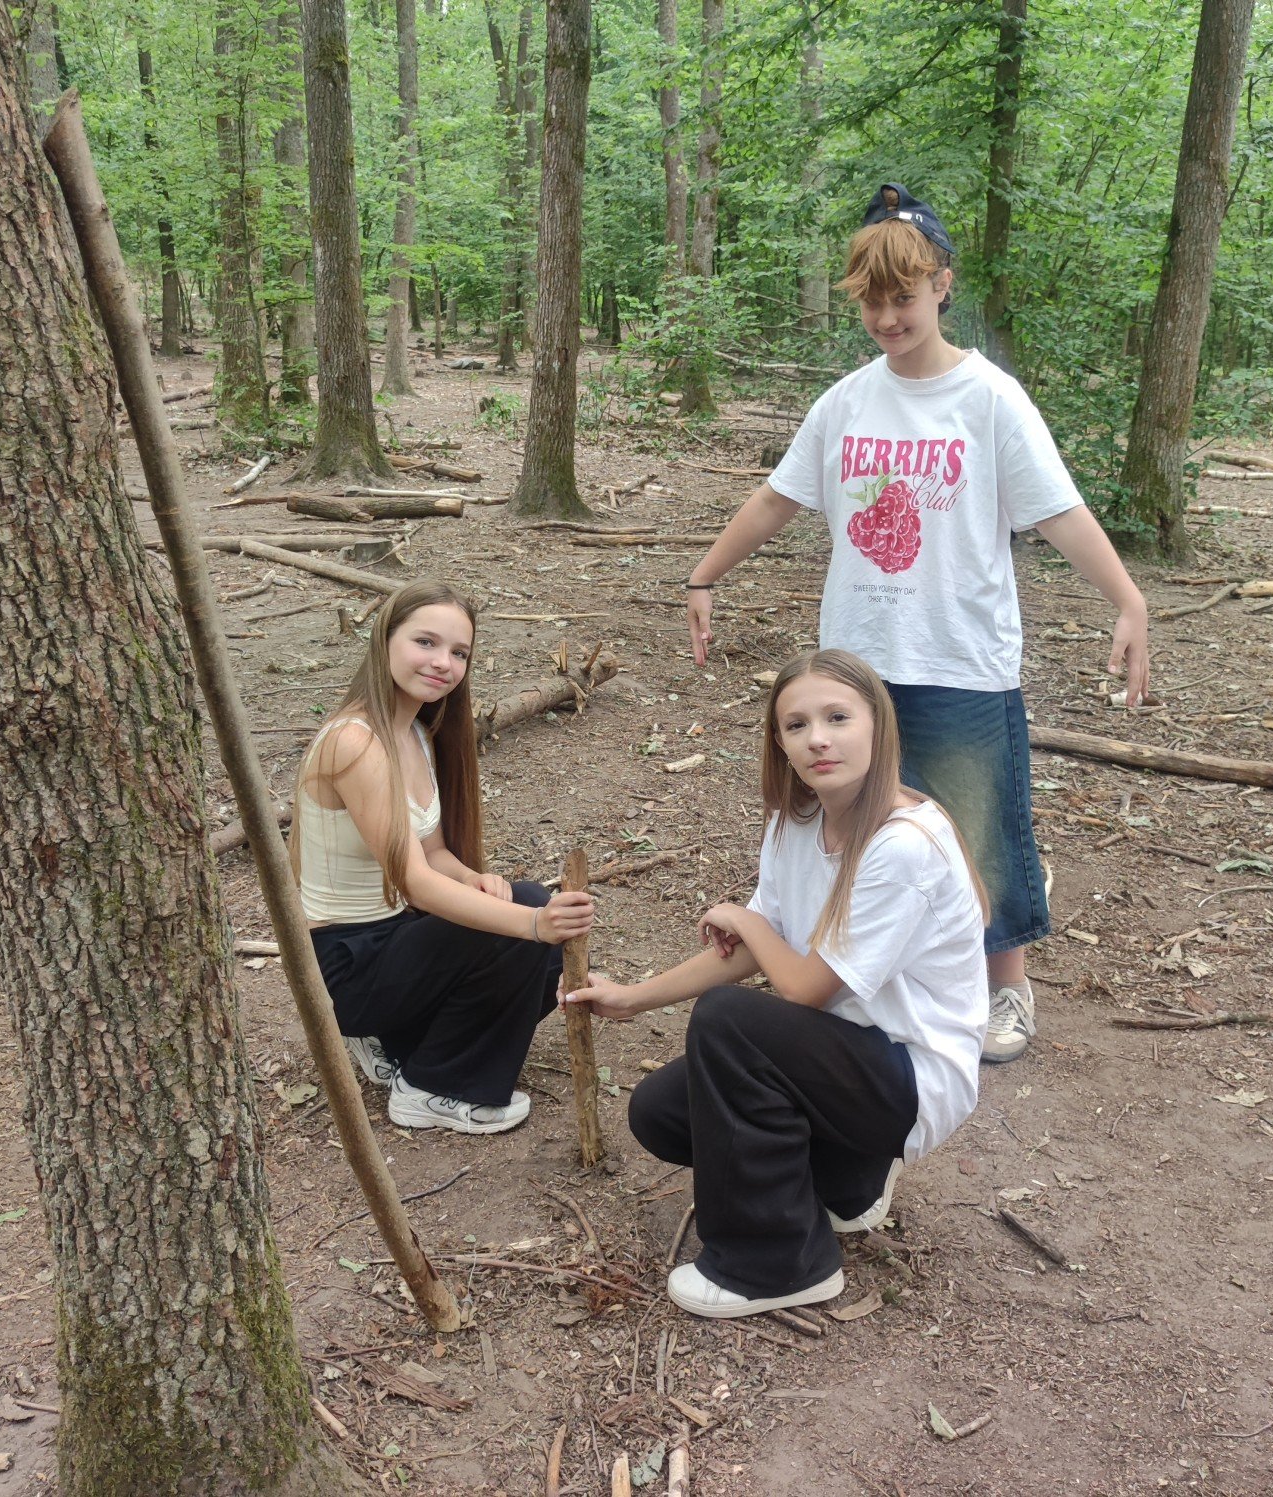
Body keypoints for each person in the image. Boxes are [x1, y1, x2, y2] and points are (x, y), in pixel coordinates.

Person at [683, 183, 1151, 1066]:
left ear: (942, 285)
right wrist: (706, 572)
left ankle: (1005, 986)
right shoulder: (846, 403)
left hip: (960, 657)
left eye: (904, 296)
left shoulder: (989, 399)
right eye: (871, 300)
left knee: (978, 824)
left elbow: (1059, 511)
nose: (887, 317)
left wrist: (1129, 600)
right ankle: (847, 964)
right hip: (857, 664)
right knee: (856, 818)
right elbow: (778, 498)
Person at [567, 650, 988, 1318]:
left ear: (879, 726)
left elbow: (803, 988)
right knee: (662, 1111)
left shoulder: (905, 844)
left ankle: (779, 1265)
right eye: (797, 724)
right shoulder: (796, 820)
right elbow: (752, 946)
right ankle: (847, 1176)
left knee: (728, 1022)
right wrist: (631, 997)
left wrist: (744, 920)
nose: (818, 738)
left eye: (838, 717)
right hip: (842, 1054)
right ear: (779, 742)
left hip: (912, 1072)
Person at [293, 580, 594, 1133]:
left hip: (394, 937)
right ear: (385, 639)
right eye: (425, 642)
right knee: (524, 927)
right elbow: (414, 882)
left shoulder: (414, 732)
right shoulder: (355, 742)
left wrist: (474, 878)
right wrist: (530, 923)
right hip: (347, 962)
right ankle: (431, 1088)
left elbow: (432, 853)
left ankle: (402, 1043)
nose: (443, 663)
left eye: (459, 652)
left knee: (534, 926)